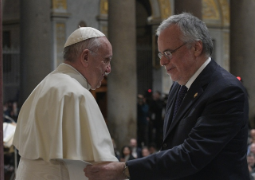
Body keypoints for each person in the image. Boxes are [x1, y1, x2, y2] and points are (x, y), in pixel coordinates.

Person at [84, 13, 249, 179]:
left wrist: (124, 169)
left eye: (168, 53)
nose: (162, 61)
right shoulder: (178, 86)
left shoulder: (227, 91)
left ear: (196, 48)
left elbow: (191, 155)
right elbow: (170, 147)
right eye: (160, 54)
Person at [13, 27, 117, 179]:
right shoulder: (76, 95)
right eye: (106, 60)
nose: (108, 69)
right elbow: (102, 170)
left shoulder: (42, 87)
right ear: (86, 57)